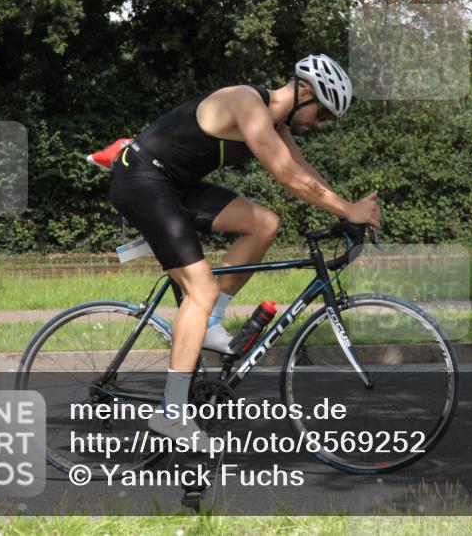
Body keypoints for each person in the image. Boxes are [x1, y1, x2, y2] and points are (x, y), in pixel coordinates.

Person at [106, 54, 381, 443]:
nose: (320, 125)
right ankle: (171, 413)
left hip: (173, 184)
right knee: (199, 289)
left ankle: (210, 322)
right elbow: (286, 176)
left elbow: (302, 168)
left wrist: (348, 208)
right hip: (142, 179)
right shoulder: (248, 103)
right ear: (304, 92)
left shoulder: (276, 122)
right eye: (322, 114)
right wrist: (347, 209)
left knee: (264, 223)